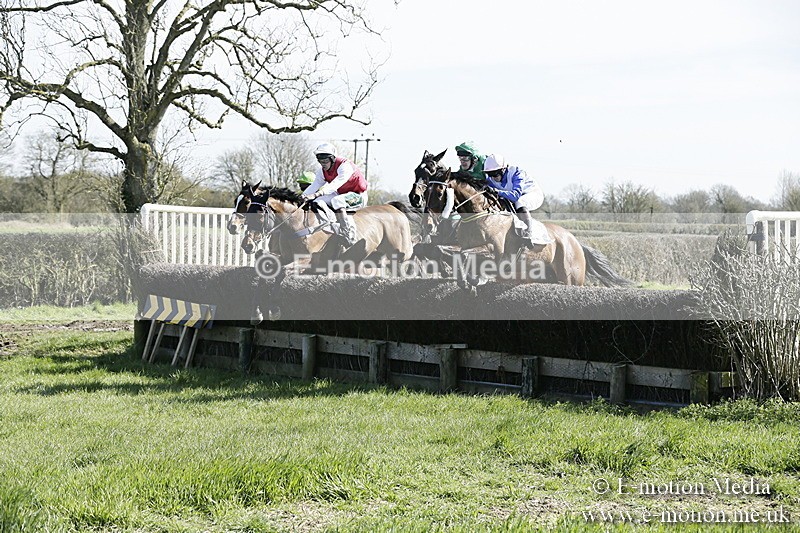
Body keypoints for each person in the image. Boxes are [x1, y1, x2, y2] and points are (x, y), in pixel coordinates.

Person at [302, 143, 368, 246]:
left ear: (332, 159)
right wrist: (302, 197)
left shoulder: (345, 166)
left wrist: (317, 194)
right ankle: (329, 226)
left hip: (358, 195)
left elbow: (335, 185)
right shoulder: (322, 171)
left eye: (325, 161)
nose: (323, 164)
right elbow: (314, 186)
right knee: (318, 201)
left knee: (337, 201)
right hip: (340, 194)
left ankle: (348, 233)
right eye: (320, 161)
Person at [482, 153, 550, 245]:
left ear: (503, 169)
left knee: (519, 202)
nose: (493, 177)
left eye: (495, 173)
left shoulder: (516, 173)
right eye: (489, 174)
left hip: (532, 194)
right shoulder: (490, 179)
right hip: (512, 196)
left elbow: (515, 196)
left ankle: (528, 233)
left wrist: (496, 191)